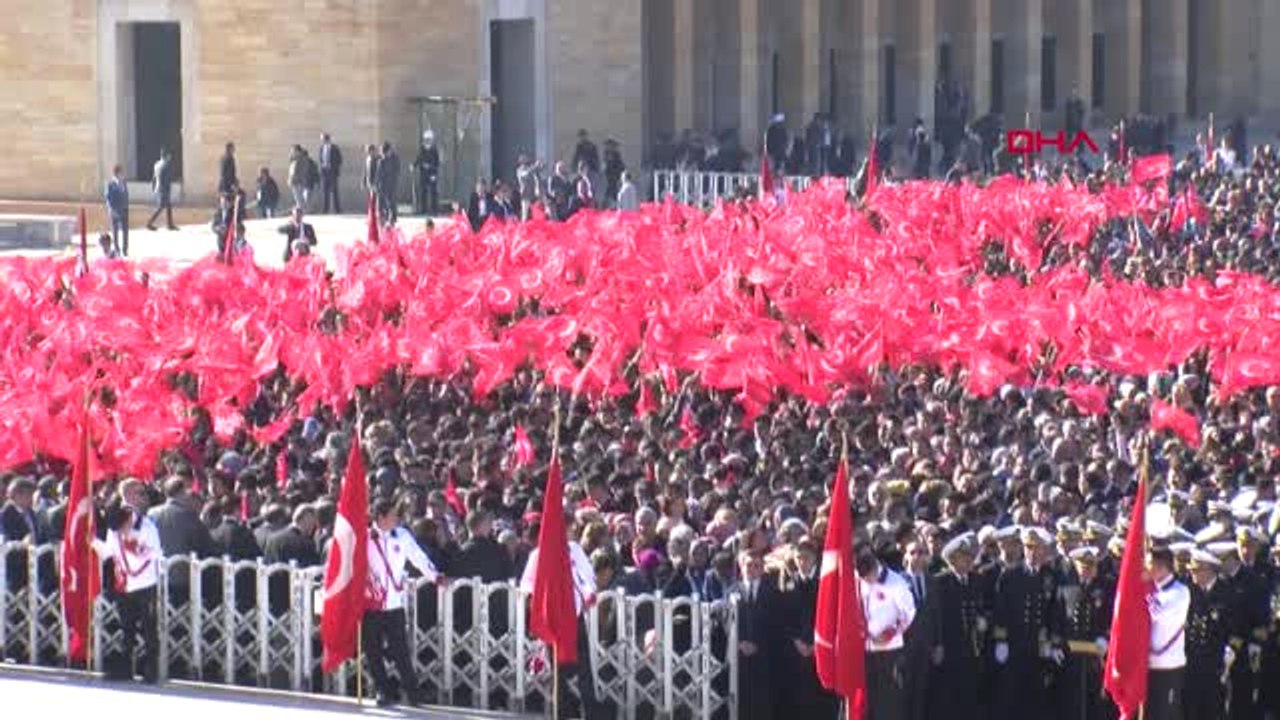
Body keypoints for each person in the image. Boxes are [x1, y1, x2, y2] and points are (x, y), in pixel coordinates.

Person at [519, 510, 604, 720]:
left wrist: (589, 593)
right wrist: (536, 603)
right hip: (553, 617)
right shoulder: (538, 554)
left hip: (574, 616)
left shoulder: (574, 550)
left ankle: (590, 710)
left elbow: (587, 575)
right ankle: (562, 712)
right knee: (559, 669)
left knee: (583, 666)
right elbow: (527, 584)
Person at [364, 498, 446, 707]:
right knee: (372, 649)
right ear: (381, 518)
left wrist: (434, 576)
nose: (396, 519)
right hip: (371, 602)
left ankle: (412, 691)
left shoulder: (402, 536)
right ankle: (382, 690)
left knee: (400, 649)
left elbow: (418, 557)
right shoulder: (365, 537)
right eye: (392, 515)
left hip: (393, 602)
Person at [992, 526, 1063, 719]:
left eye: (1038, 548)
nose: (1033, 552)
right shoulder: (1010, 575)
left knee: (1037, 699)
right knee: (1012, 698)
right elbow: (1001, 611)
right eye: (1029, 547)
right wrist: (1001, 641)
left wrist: (1054, 642)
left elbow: (1055, 612)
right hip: (1014, 644)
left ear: (1045, 550)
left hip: (1038, 647)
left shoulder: (1051, 576)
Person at [92, 500, 163, 683]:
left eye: (122, 527)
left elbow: (157, 554)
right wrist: (93, 542)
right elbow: (109, 552)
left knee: (149, 629)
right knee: (127, 628)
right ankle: (125, 668)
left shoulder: (147, 527)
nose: (120, 532)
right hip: (124, 583)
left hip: (146, 584)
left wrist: (137, 550)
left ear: (129, 518)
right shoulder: (115, 528)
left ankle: (151, 669)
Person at [928, 533, 986, 720]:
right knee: (948, 697)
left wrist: (982, 620)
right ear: (952, 559)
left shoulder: (976, 580)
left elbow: (980, 607)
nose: (969, 561)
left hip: (971, 647)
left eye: (970, 557)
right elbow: (935, 617)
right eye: (964, 557)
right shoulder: (940, 582)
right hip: (949, 647)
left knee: (969, 696)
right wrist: (937, 644)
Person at [859, 546, 917, 720]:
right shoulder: (859, 580)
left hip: (889, 651)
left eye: (869, 577)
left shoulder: (896, 583)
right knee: (868, 703)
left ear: (876, 567)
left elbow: (909, 613)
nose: (867, 581)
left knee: (889, 703)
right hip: (865, 650)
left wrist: (891, 633)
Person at [1060, 546, 1113, 720]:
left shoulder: (1105, 588)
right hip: (1070, 654)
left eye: (1091, 567)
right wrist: (1055, 644)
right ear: (1076, 567)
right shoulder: (1066, 588)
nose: (1087, 571)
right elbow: (1057, 617)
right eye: (1083, 567)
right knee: (1071, 700)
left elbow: (1110, 617)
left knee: (1093, 703)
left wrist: (1105, 638)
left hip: (1094, 655)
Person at [1185, 549, 1230, 720]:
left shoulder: (1226, 592)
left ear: (1209, 570)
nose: (1192, 574)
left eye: (1196, 570)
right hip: (1192, 661)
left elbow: (1232, 627)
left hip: (1215, 662)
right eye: (1191, 570)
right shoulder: (1190, 591)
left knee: (1213, 709)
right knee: (1191, 709)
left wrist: (1230, 650)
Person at [1147, 545, 1191, 720]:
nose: (1146, 568)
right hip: (1149, 664)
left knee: (1165, 714)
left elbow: (1157, 613)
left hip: (1168, 666)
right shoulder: (1153, 589)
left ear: (1161, 566)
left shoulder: (1180, 591)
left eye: (1149, 563)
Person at [735, 550, 774, 720]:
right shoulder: (731, 591)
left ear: (762, 569)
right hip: (738, 660)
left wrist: (758, 644)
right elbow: (724, 624)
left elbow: (776, 625)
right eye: (748, 565)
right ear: (741, 567)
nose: (752, 569)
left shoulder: (772, 593)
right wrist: (738, 643)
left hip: (764, 659)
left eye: (756, 566)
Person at [146, 149, 178, 231]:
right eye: (169, 155)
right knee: (161, 207)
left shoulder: (157, 164)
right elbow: (165, 179)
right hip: (163, 189)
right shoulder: (165, 165)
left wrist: (153, 188)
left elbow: (154, 177)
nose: (170, 157)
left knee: (168, 206)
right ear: (166, 156)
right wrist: (167, 189)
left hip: (158, 187)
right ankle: (149, 223)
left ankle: (170, 224)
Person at [104, 164, 129, 257]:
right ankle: (117, 249)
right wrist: (111, 209)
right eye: (121, 172)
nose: (123, 174)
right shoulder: (110, 184)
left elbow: (126, 195)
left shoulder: (124, 183)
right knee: (115, 231)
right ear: (117, 173)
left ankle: (125, 249)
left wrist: (126, 206)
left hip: (124, 210)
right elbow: (108, 198)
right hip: (114, 211)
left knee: (125, 231)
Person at [412, 132, 440, 216]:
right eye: (426, 140)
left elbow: (437, 163)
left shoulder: (434, 151)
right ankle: (423, 209)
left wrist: (431, 169)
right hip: (423, 174)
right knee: (423, 192)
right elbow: (418, 159)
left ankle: (434, 210)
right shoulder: (422, 149)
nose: (427, 142)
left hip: (432, 174)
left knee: (433, 192)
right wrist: (414, 165)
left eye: (429, 140)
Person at [317, 133, 343, 214]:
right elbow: (320, 159)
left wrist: (334, 166)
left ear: (326, 139)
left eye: (322, 139)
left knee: (335, 191)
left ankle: (337, 209)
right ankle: (325, 209)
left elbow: (340, 159)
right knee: (325, 191)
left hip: (332, 172)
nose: (321, 141)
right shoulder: (321, 148)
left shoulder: (335, 148)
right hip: (324, 172)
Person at [376, 142, 401, 225]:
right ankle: (383, 218)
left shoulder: (395, 158)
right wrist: (377, 184)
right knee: (381, 203)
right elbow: (378, 174)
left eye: (385, 152)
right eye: (383, 153)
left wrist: (394, 180)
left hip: (392, 184)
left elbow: (397, 171)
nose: (385, 154)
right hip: (383, 185)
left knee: (392, 202)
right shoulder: (381, 161)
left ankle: (392, 218)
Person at [515, 155, 543, 220]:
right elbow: (525, 174)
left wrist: (539, 166)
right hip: (525, 194)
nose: (525, 161)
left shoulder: (530, 168)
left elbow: (537, 176)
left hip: (533, 194)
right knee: (525, 213)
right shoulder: (519, 170)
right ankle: (523, 227)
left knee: (536, 212)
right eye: (523, 160)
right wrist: (534, 166)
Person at [288, 146, 311, 212]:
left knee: (299, 196)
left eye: (293, 151)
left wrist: (293, 179)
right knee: (297, 196)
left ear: (297, 151)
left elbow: (298, 171)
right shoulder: (295, 159)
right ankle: (302, 209)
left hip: (298, 181)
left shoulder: (301, 159)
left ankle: (302, 210)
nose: (292, 152)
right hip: (295, 181)